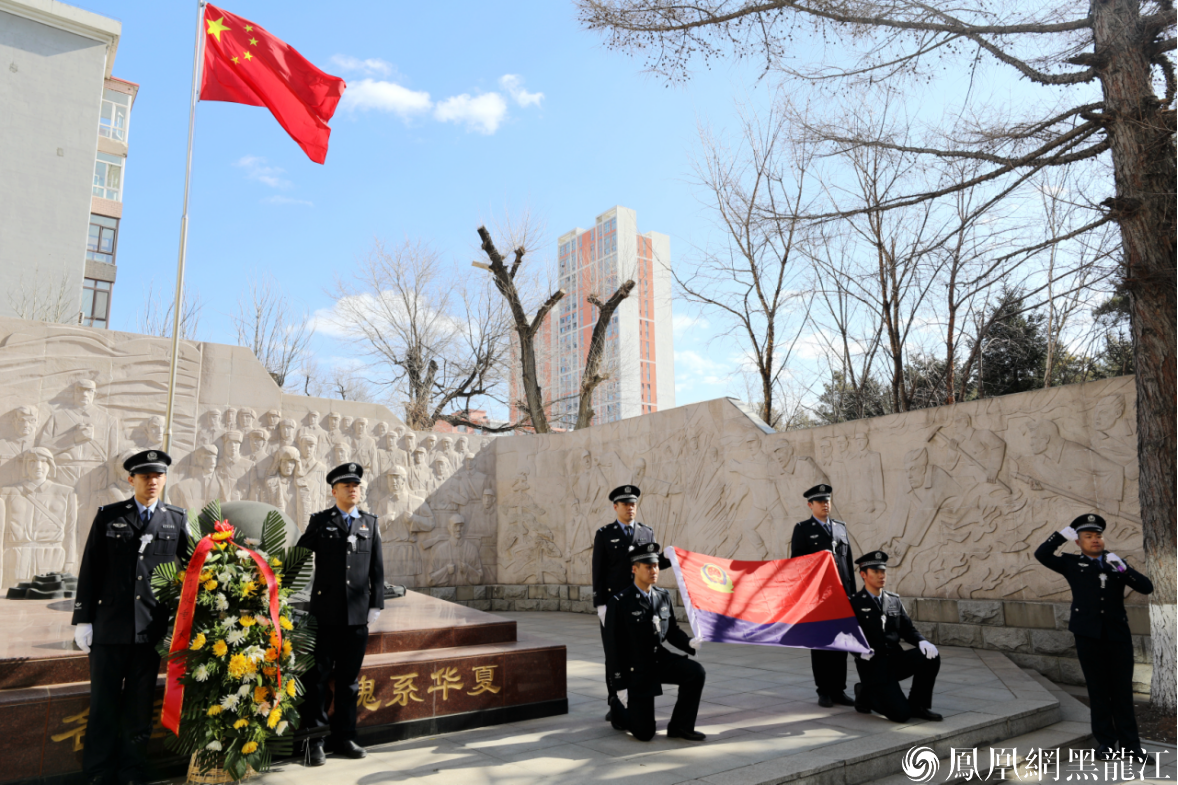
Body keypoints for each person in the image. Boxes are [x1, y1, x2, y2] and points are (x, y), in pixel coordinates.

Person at [71, 450, 187, 785]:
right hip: (109, 628)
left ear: (164, 479)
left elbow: (194, 572)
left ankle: (131, 771)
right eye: (145, 476)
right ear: (131, 479)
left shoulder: (175, 519)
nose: (152, 482)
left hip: (149, 632)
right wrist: (83, 618)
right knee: (103, 705)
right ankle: (97, 772)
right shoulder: (109, 515)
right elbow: (91, 567)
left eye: (158, 476)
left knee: (139, 709)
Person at [1035, 514, 1153, 761]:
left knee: (1122, 692)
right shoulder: (1070, 563)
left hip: (1117, 636)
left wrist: (1122, 567)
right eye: (1088, 536)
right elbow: (1042, 554)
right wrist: (1061, 535)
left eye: (1098, 535)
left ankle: (1131, 747)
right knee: (1098, 691)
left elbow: (1145, 587)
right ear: (1078, 542)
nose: (1095, 540)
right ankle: (1107, 744)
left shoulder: (1115, 563)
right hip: (1088, 635)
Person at [297, 462, 385, 766]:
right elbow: (298, 557)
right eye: (346, 486)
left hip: (357, 618)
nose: (353, 489)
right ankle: (315, 741)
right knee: (318, 679)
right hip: (324, 615)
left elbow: (377, 569)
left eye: (356, 485)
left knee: (349, 682)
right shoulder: (321, 521)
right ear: (334, 491)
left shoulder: (370, 523)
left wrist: (376, 604)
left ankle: (346, 737)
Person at [604, 541, 706, 742]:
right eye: (648, 566)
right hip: (636, 669)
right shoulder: (619, 602)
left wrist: (688, 643)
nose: (654, 570)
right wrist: (619, 685)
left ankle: (680, 726)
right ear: (635, 569)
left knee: (695, 672)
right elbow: (613, 648)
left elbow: (672, 631)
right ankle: (617, 707)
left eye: (656, 565)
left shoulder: (662, 596)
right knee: (644, 733)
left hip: (659, 661)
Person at [591, 485, 664, 725]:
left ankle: (640, 699)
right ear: (615, 507)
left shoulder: (646, 532)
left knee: (641, 652)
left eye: (633, 504)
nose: (630, 508)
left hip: (639, 605)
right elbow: (598, 572)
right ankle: (616, 702)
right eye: (625, 504)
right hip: (613, 607)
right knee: (614, 654)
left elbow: (652, 566)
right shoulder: (604, 533)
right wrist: (600, 605)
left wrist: (672, 559)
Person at [849, 551, 942, 722]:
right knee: (901, 715)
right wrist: (859, 652)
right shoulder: (853, 603)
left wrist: (922, 641)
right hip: (873, 666)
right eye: (875, 571)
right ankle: (864, 693)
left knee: (930, 657)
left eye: (883, 571)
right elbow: (847, 636)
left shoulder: (893, 600)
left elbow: (908, 629)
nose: (881, 575)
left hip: (895, 660)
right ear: (863, 574)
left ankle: (918, 705)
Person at [791, 484, 856, 707]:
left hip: (841, 596)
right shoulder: (802, 529)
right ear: (810, 505)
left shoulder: (840, 527)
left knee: (841, 646)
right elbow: (796, 565)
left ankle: (839, 690)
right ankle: (824, 691)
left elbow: (847, 564)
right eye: (820, 501)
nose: (825, 504)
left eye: (827, 500)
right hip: (817, 597)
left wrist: (852, 596)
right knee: (821, 646)